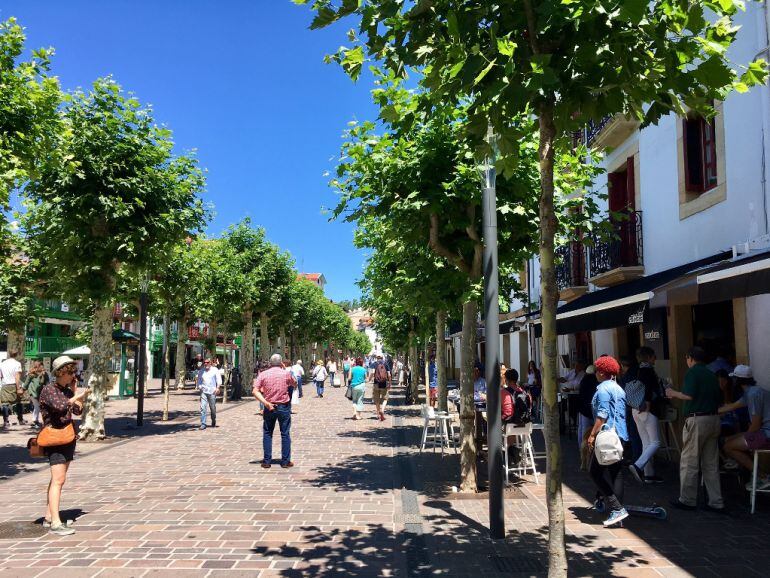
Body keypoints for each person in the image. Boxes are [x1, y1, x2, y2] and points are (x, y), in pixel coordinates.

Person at [666, 346, 724, 511]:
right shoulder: (711, 374)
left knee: (690, 461)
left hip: (697, 419)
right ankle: (716, 501)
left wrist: (673, 393)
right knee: (711, 463)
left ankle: (687, 499)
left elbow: (689, 395)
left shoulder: (693, 373)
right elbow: (719, 399)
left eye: (686, 358)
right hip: (714, 419)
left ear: (690, 358)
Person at [39, 356, 90, 535]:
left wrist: (76, 393)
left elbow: (77, 410)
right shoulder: (49, 390)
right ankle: (55, 523)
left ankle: (48, 517)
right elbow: (61, 407)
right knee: (59, 480)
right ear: (61, 372)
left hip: (67, 438)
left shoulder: (66, 390)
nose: (73, 375)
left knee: (57, 479)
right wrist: (76, 395)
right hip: (54, 439)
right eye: (71, 372)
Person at [586, 355, 629, 527]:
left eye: (597, 370)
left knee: (594, 472)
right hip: (620, 436)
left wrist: (592, 435)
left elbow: (602, 414)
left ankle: (617, 508)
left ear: (602, 372)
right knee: (616, 473)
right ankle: (617, 512)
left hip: (606, 437)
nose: (596, 373)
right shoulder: (619, 389)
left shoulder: (603, 389)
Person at [718, 365, 770, 490]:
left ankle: (762, 477)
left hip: (766, 433)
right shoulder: (751, 392)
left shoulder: (753, 394)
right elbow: (732, 406)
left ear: (738, 380)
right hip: (763, 431)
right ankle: (737, 462)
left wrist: (745, 439)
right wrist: (708, 411)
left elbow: (756, 424)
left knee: (728, 446)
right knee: (727, 440)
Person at [627, 347, 664, 484]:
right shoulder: (648, 370)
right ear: (649, 357)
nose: (655, 358)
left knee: (646, 442)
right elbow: (648, 388)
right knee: (655, 442)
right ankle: (638, 466)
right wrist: (648, 402)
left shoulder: (634, 369)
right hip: (646, 408)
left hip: (635, 408)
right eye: (654, 356)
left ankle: (649, 474)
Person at [253, 353, 296, 468]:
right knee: (285, 433)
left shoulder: (263, 374)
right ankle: (285, 461)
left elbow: (255, 391)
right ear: (281, 362)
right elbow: (295, 383)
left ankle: (267, 461)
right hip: (283, 406)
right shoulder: (286, 373)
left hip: (269, 406)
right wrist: (285, 368)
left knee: (267, 433)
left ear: (270, 363)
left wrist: (265, 403)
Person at [1, 349, 25, 428]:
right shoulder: (17, 363)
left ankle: (6, 421)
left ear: (9, 354)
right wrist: (18, 388)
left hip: (5, 385)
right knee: (18, 402)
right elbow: (17, 377)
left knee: (5, 403)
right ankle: (20, 420)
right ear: (16, 355)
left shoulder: (2, 363)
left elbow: (1, 376)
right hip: (14, 385)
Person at [23, 360, 49, 429]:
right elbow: (26, 383)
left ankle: (36, 420)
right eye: (41, 365)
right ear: (38, 366)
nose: (42, 367)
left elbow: (47, 383)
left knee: (38, 406)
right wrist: (23, 389)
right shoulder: (32, 374)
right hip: (32, 392)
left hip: (40, 393)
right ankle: (35, 420)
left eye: (42, 365)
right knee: (37, 406)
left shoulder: (44, 374)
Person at [577, 365, 598, 450]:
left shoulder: (584, 380)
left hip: (583, 409)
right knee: (587, 430)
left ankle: (582, 448)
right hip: (590, 409)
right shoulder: (594, 380)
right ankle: (587, 448)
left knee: (583, 430)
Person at [197, 358, 220, 430]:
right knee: (203, 407)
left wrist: (218, 388)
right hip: (204, 391)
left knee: (212, 408)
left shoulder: (215, 370)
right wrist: (200, 386)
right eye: (205, 362)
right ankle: (203, 423)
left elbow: (218, 379)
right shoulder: (201, 371)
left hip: (212, 391)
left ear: (210, 363)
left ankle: (213, 419)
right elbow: (199, 380)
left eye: (207, 362)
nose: (206, 364)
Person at [372, 355, 391, 421]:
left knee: (377, 400)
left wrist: (370, 378)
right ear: (382, 358)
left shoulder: (374, 364)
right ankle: (382, 410)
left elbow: (372, 372)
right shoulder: (385, 364)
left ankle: (378, 414)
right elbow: (389, 374)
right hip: (383, 383)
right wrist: (390, 383)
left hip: (376, 383)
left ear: (376, 358)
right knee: (385, 399)